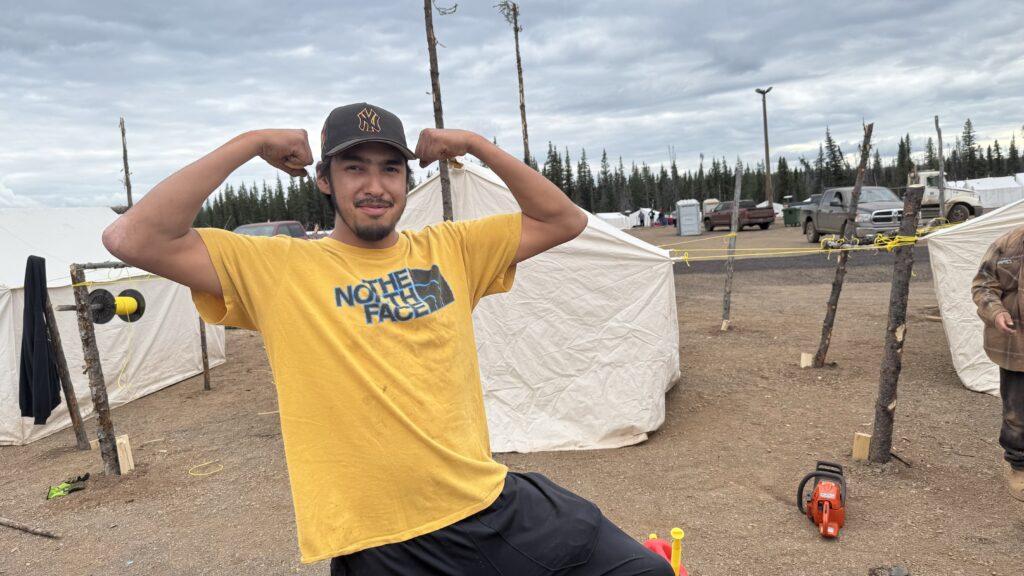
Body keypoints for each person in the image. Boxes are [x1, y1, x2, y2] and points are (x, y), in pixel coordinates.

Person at [102, 103, 674, 575]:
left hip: (484, 501)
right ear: (324, 179)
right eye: (354, 168)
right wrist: (251, 142)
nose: (374, 186)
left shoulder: (451, 250)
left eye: (390, 169)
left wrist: (475, 144)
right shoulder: (277, 268)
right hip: (382, 544)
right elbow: (133, 236)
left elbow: (562, 220)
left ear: (407, 178)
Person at [972, 226, 1024, 502]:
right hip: (1016, 346)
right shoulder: (1009, 244)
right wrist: (996, 312)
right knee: (1017, 415)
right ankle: (1019, 465)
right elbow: (983, 284)